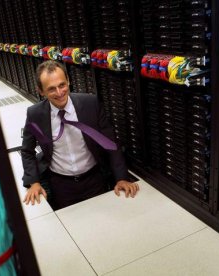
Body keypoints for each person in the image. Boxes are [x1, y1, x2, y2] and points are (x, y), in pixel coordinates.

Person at [21, 60, 139, 209]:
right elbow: (27, 151)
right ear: (41, 91)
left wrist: (121, 178)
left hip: (94, 179)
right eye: (51, 89)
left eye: (62, 85)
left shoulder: (91, 104)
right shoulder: (36, 114)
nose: (59, 92)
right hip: (61, 185)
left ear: (68, 81)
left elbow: (110, 143)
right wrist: (34, 182)